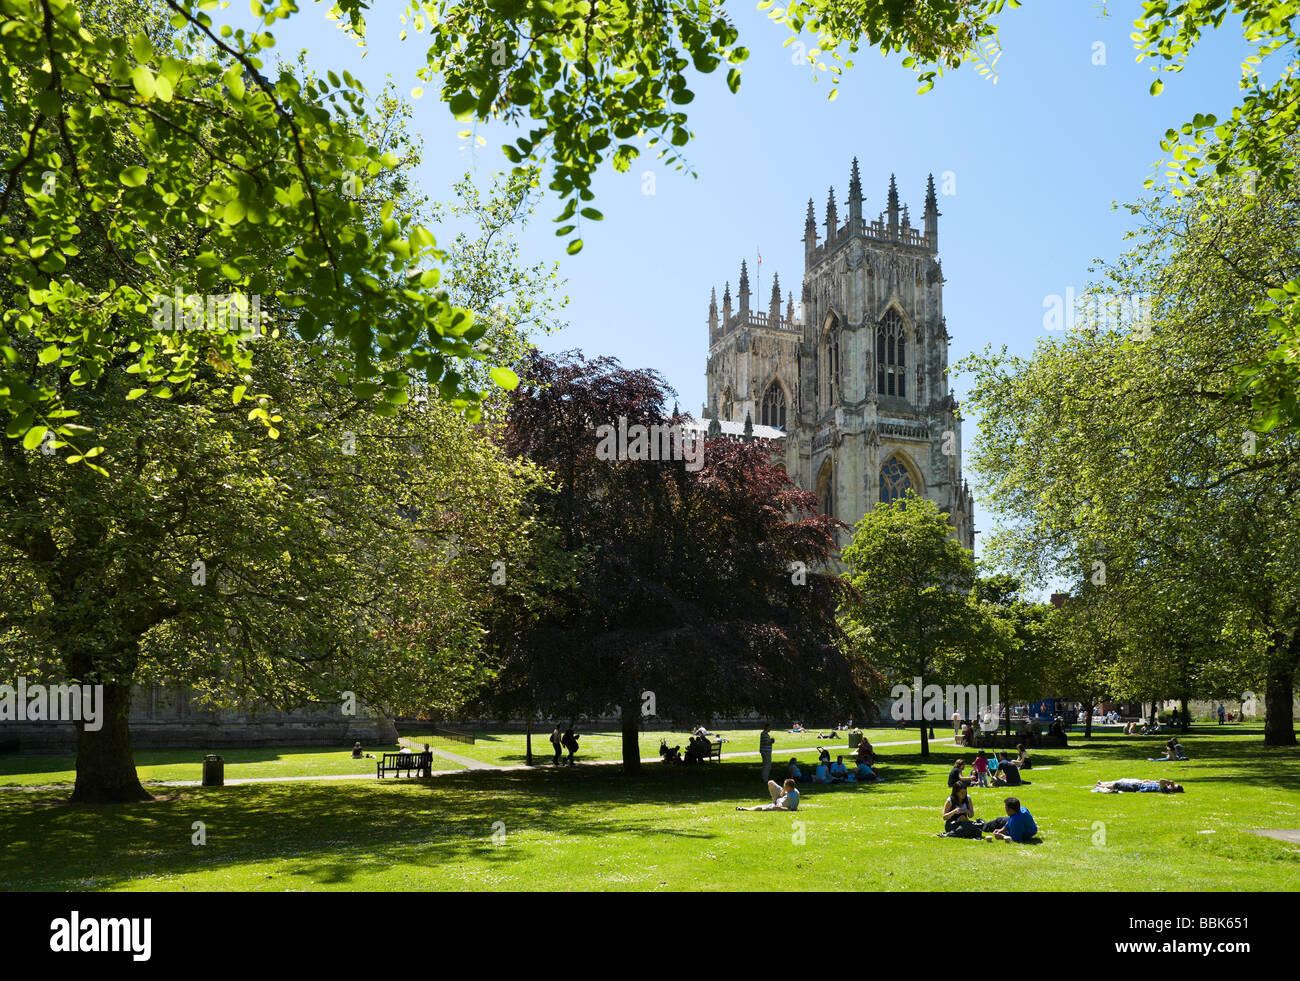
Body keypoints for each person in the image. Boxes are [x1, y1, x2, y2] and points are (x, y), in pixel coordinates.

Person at [1093, 778, 1184, 794]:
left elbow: (1161, 781)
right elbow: (1157, 781)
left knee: (1118, 785)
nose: (1171, 785)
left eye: (1173, 786)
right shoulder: (1165, 788)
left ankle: (1101, 786)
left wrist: (1169, 781)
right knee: (1120, 784)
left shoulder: (1166, 790)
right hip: (1140, 785)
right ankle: (1102, 784)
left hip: (1137, 788)